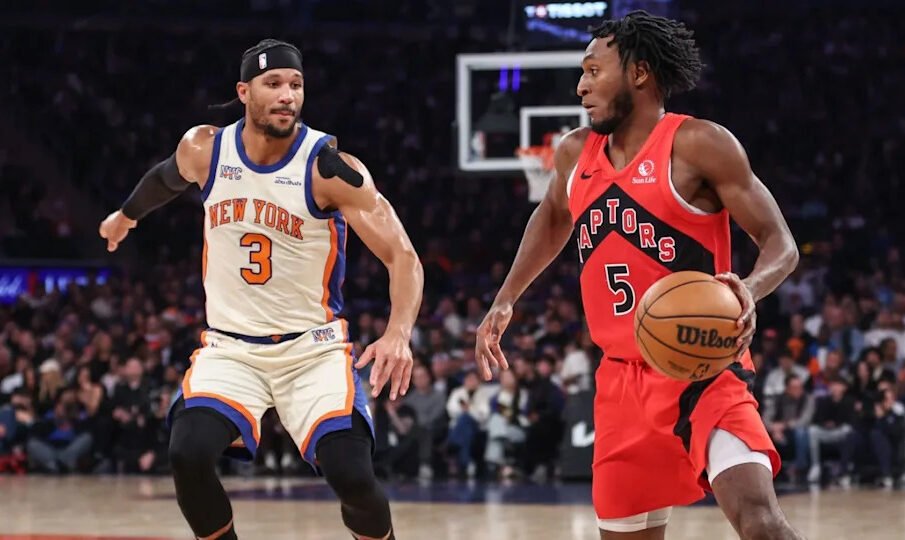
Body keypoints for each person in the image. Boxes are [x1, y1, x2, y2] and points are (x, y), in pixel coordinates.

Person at [475, 11, 802, 540]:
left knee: (759, 522)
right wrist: (506, 298)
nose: (581, 86)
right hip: (620, 381)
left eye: (593, 71)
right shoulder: (574, 153)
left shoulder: (698, 144)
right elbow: (553, 217)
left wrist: (749, 287)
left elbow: (781, 243)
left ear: (639, 73)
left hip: (701, 364)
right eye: (581, 74)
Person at [99, 39, 423, 540]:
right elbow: (165, 179)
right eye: (273, 84)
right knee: (187, 454)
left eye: (296, 85)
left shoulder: (329, 168)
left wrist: (398, 332)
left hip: (312, 351)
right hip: (231, 350)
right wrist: (126, 215)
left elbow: (403, 255)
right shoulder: (205, 148)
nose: (287, 95)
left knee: (353, 477)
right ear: (244, 92)